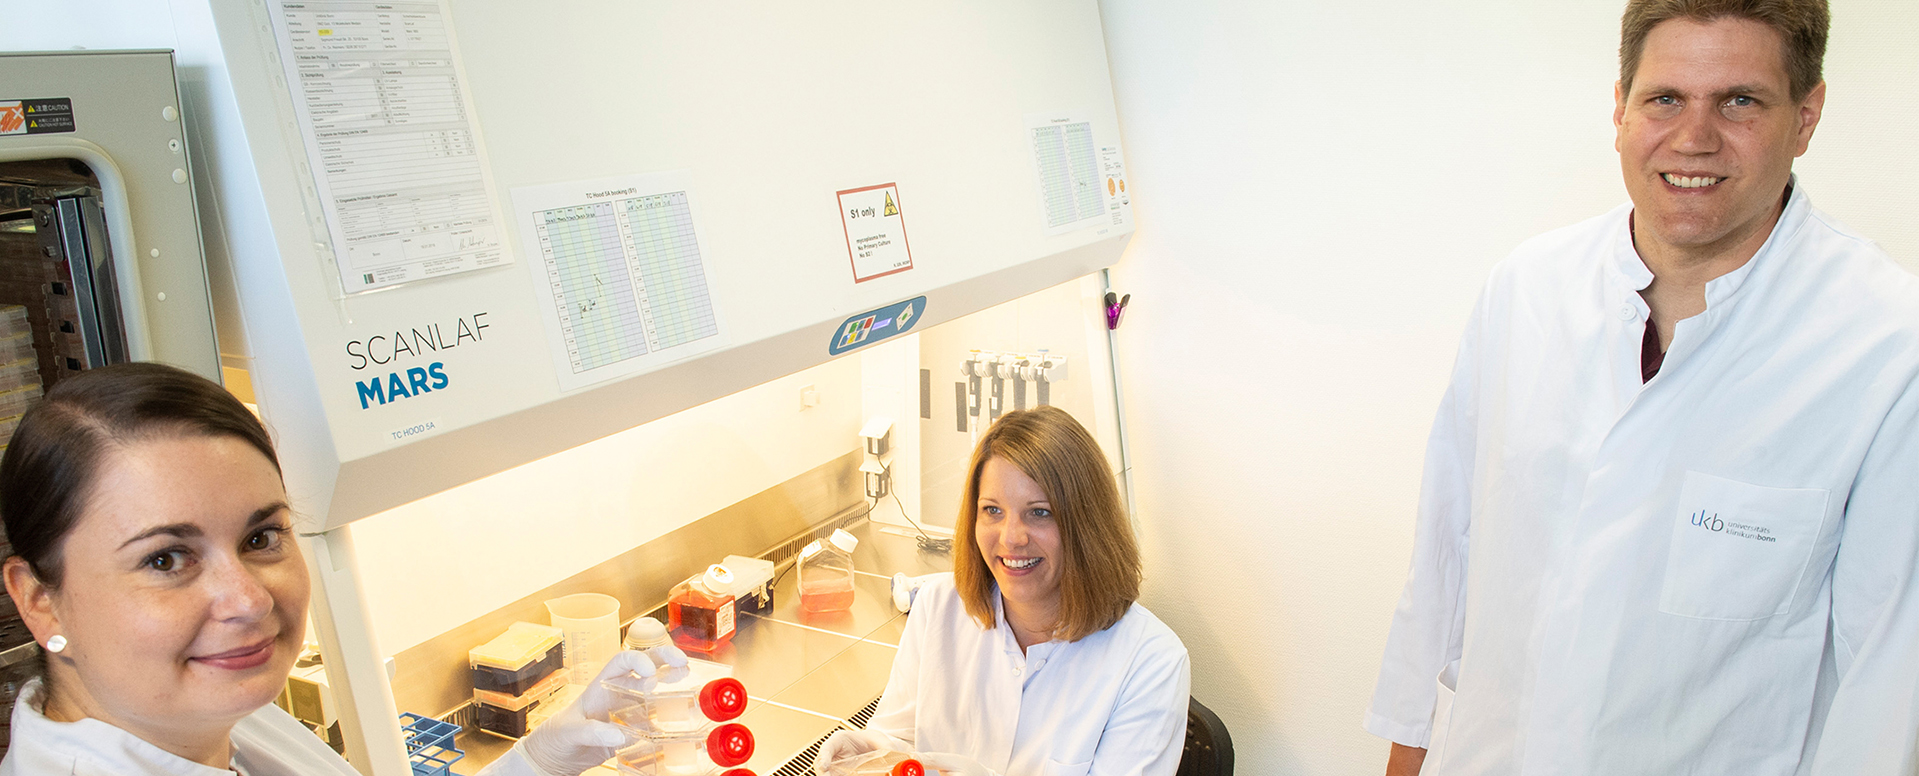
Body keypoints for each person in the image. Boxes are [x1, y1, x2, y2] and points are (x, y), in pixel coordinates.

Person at [1365, 1, 1919, 774]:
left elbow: (1886, 686)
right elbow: (1443, 560)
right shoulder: (1526, 289)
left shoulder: (1887, 347)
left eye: (1739, 101)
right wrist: (1406, 756)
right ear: (1619, 106)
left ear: (1806, 115)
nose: (1692, 138)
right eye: (1664, 98)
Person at [0, 362, 682, 775]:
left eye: (262, 536)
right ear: (40, 602)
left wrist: (537, 762)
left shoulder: (201, 710)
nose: (245, 599)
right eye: (165, 559)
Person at [817, 406, 1189, 776]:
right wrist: (869, 754)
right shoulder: (938, 607)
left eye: (1039, 512)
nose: (1012, 538)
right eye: (992, 510)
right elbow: (902, 744)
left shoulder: (1151, 663)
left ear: (1085, 523)